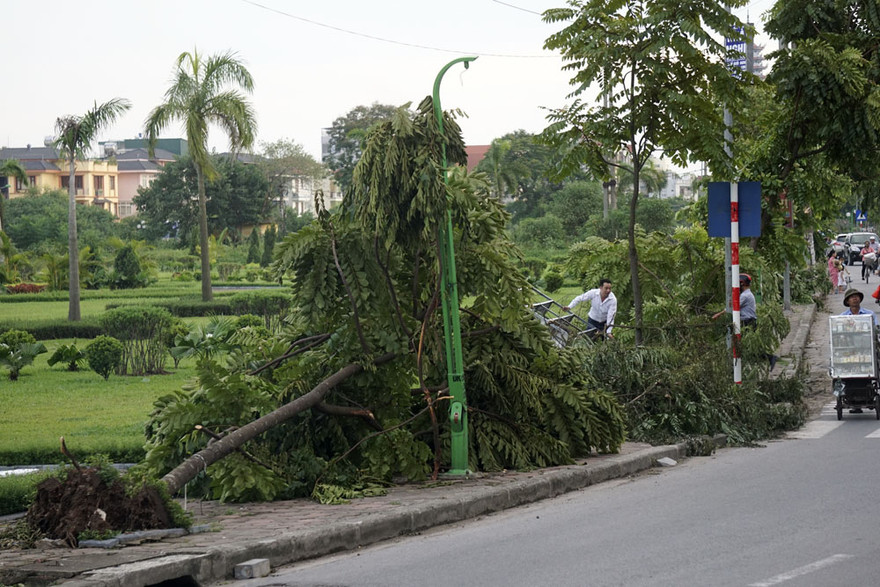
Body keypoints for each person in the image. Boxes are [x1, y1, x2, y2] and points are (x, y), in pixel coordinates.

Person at [712, 274, 778, 370]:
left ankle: (770, 358)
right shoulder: (746, 294)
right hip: (747, 322)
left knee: (747, 347)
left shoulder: (745, 296)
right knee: (745, 346)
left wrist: (719, 314)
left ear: (742, 283)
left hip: (748, 323)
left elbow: (733, 306)